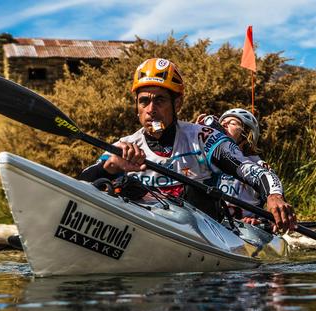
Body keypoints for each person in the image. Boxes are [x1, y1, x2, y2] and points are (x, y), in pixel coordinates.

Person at [79, 58, 296, 233]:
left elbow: (255, 171)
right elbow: (80, 185)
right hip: (145, 228)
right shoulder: (123, 146)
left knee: (194, 193)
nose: (151, 109)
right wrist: (109, 168)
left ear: (178, 104)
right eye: (144, 101)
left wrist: (274, 196)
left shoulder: (204, 138)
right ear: (136, 106)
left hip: (203, 231)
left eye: (160, 100)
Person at [196, 108, 269, 226]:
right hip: (209, 222)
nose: (224, 123)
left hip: (243, 228)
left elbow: (273, 199)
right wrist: (196, 133)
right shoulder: (206, 155)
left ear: (246, 136)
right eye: (222, 122)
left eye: (232, 123)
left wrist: (261, 221)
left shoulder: (258, 165)